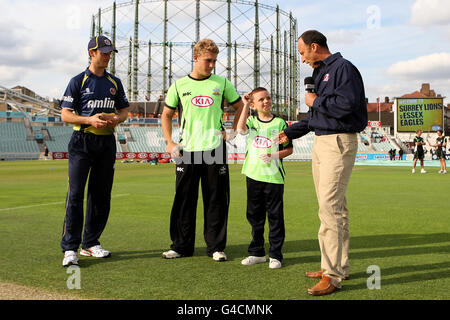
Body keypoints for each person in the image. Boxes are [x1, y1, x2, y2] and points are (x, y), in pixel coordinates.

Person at [275, 30, 368, 295]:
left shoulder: (343, 68)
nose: (302, 59)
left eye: (303, 52)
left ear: (315, 47)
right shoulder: (320, 73)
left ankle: (332, 274)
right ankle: (337, 265)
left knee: (330, 209)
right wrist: (291, 131)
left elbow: (347, 105)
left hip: (338, 142)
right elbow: (318, 116)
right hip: (323, 141)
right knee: (334, 208)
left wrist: (316, 100)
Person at [161, 38, 243, 262]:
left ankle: (216, 247)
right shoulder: (179, 85)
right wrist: (169, 142)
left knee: (216, 199)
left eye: (214, 61)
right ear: (196, 58)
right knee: (184, 199)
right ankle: (180, 246)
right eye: (208, 60)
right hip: (186, 150)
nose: (212, 65)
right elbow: (166, 115)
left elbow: (241, 106)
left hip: (215, 149)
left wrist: (232, 131)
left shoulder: (222, 83)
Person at [60, 35, 129, 267]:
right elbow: (65, 114)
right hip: (82, 141)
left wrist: (115, 119)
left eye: (110, 52)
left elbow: (124, 111)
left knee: (101, 195)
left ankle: (90, 243)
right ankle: (70, 248)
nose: (108, 56)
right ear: (92, 53)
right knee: (76, 195)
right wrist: (89, 120)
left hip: (106, 143)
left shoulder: (115, 82)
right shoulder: (78, 81)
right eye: (104, 52)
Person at [236, 88, 293, 269]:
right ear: (254, 104)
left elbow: (289, 149)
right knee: (255, 217)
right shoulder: (252, 121)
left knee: (275, 217)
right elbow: (240, 129)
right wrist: (245, 105)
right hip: (253, 175)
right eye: (261, 99)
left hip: (274, 177)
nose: (266, 101)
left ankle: (275, 255)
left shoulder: (280, 123)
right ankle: (257, 252)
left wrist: (273, 156)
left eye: (268, 98)